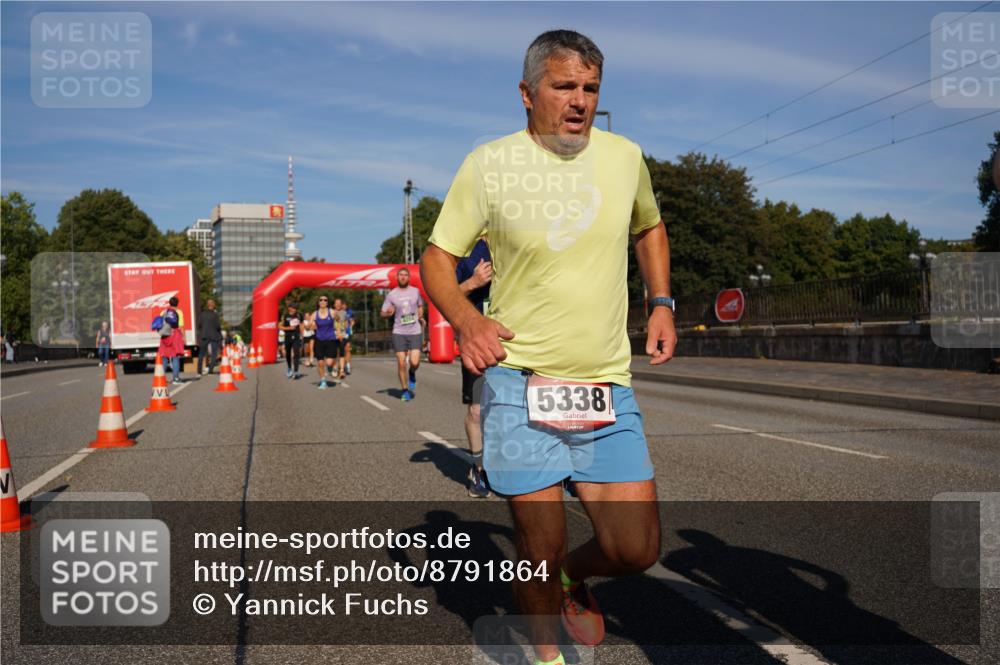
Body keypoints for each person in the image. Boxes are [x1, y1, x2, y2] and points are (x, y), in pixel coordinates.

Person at [420, 30, 676, 665]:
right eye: (564, 86)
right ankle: (546, 657)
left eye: (591, 88)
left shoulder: (624, 158)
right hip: (519, 377)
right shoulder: (490, 163)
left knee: (634, 549)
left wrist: (662, 301)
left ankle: (570, 582)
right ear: (527, 93)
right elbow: (436, 257)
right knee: (539, 546)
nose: (579, 100)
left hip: (604, 383)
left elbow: (649, 226)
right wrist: (465, 320)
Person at [456, 238, 493, 498]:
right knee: (478, 411)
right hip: (479, 342)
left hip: (522, 340)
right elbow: (448, 294)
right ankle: (479, 469)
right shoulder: (469, 251)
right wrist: (473, 282)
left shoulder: (525, 240)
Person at [381, 267, 424, 401]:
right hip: (399, 331)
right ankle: (404, 390)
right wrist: (387, 313)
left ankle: (412, 372)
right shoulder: (392, 294)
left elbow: (420, 305)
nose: (403, 277)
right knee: (401, 363)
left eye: (405, 275)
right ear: (397, 278)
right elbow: (382, 312)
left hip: (414, 331)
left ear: (409, 277)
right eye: (401, 275)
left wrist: (420, 313)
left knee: (415, 362)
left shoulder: (415, 291)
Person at [312, 295, 338, 389]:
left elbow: (339, 320)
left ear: (327, 302)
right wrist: (309, 326)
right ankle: (323, 381)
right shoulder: (315, 314)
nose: (323, 301)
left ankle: (330, 367)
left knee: (329, 362)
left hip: (330, 339)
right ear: (318, 302)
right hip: (319, 340)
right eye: (321, 300)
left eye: (325, 300)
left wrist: (337, 318)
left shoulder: (331, 312)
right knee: (320, 363)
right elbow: (310, 324)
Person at [158, 296, 185, 384]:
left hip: (165, 336)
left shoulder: (164, 312)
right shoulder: (179, 312)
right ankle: (176, 378)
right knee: (175, 356)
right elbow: (181, 326)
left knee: (164, 357)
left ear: (169, 303)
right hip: (175, 335)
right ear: (177, 303)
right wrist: (184, 338)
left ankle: (161, 378)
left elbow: (160, 324)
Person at [197, 299, 223, 375]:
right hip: (214, 336)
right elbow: (218, 326)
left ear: (207, 305)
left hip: (204, 335)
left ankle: (199, 370)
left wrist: (202, 331)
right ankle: (211, 369)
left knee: (201, 353)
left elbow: (199, 325)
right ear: (213, 305)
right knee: (214, 354)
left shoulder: (202, 314)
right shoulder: (215, 315)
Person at [278, 303, 303, 379]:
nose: (294, 310)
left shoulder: (299, 315)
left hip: (296, 337)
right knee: (288, 354)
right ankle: (289, 368)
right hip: (288, 337)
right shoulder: (285, 316)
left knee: (296, 353)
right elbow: (279, 326)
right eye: (292, 308)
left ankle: (296, 371)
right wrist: (288, 328)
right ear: (289, 308)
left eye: (295, 308)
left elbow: (301, 325)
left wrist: (302, 335)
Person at [332, 298, 351, 380]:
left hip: (342, 335)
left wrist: (345, 332)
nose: (338, 304)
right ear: (334, 304)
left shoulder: (344, 313)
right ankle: (335, 367)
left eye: (340, 303)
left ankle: (342, 371)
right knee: (334, 352)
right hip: (332, 334)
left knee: (341, 352)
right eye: (336, 303)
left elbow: (346, 324)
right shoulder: (331, 312)